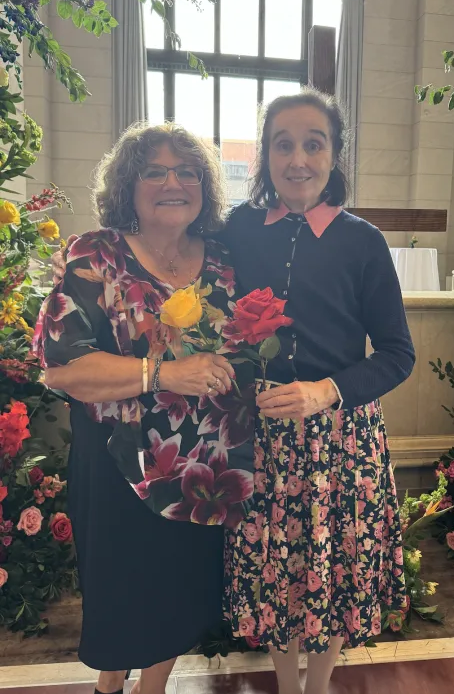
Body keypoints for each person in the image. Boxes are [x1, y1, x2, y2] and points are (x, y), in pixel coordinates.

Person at [34, 123, 255, 694]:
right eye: (154, 171)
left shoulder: (226, 261)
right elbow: (60, 367)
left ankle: (150, 687)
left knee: (180, 593)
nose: (172, 182)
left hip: (208, 465)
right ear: (128, 185)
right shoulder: (94, 256)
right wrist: (162, 373)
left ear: (204, 185)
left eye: (186, 171)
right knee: (122, 591)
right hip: (118, 460)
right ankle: (112, 682)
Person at [220, 89, 416, 694]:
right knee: (277, 571)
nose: (298, 158)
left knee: (335, 568)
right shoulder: (240, 229)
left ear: (335, 155)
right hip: (263, 438)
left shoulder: (363, 241)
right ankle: (285, 684)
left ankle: (320, 682)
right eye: (284, 144)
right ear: (265, 156)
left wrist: (326, 391)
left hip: (342, 441)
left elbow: (397, 354)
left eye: (314, 143)